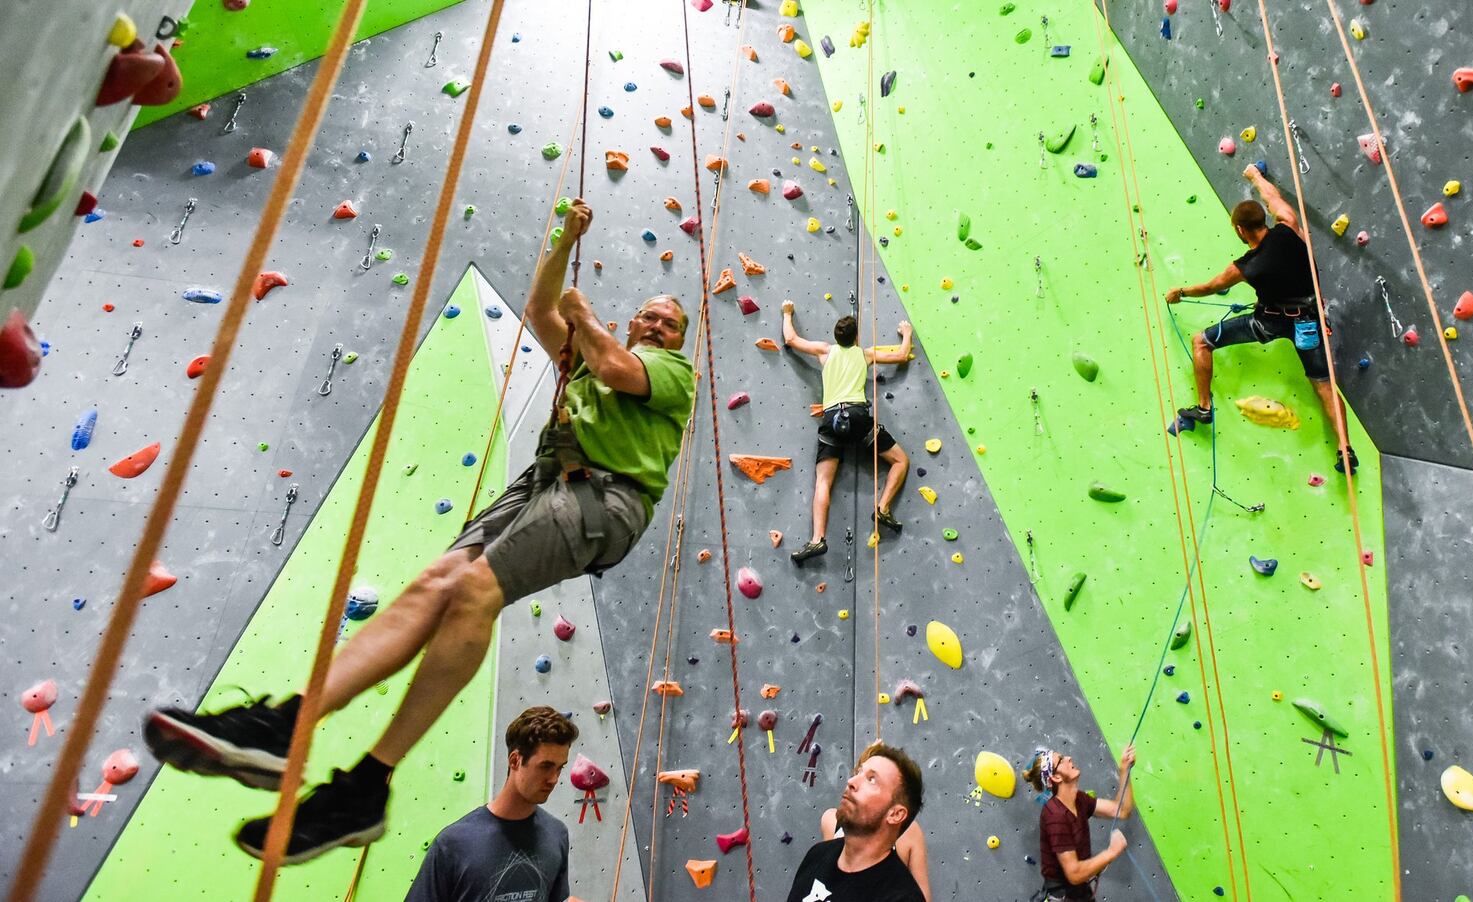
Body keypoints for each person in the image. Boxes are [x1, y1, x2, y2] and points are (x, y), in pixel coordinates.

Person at [141, 198, 696, 863]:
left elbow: (610, 365)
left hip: (606, 499)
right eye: (653, 315)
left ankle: (366, 779)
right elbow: (542, 308)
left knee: (475, 592)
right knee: (436, 584)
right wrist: (563, 239)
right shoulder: (584, 359)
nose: (660, 325)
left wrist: (584, 316)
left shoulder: (668, 374)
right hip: (544, 484)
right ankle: (288, 727)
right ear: (634, 319)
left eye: (671, 322)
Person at [1164, 164, 1358, 474]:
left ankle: (1203, 408)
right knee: (1322, 385)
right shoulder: (1288, 227)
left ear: (1240, 230)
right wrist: (1255, 176)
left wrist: (1180, 292)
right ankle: (1344, 449)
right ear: (1262, 220)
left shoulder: (1245, 266)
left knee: (1201, 341)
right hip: (1308, 321)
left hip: (1268, 323)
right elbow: (1273, 197)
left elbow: (1211, 287)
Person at [780, 300, 913, 564]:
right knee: (900, 461)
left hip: (832, 418)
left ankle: (818, 539)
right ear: (856, 337)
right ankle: (883, 507)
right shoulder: (866, 353)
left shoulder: (824, 351)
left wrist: (787, 313)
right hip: (858, 417)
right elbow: (900, 355)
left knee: (823, 482)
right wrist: (907, 333)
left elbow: (791, 339)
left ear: (835, 336)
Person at [404, 706, 576, 902]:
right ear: (515, 760)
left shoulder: (556, 835)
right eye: (545, 766)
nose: (554, 779)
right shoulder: (453, 845)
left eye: (559, 768)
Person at [787, 745, 925, 902]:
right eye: (859, 772)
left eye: (872, 779)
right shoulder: (818, 856)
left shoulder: (900, 897)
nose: (851, 781)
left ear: (895, 814)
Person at [1022, 743, 1136, 901]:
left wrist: (1124, 770)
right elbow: (1074, 873)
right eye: (1061, 760)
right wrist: (1111, 852)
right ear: (1056, 777)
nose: (1068, 758)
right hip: (1064, 896)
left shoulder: (1079, 799)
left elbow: (1122, 810)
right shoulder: (1055, 815)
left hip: (1079, 893)